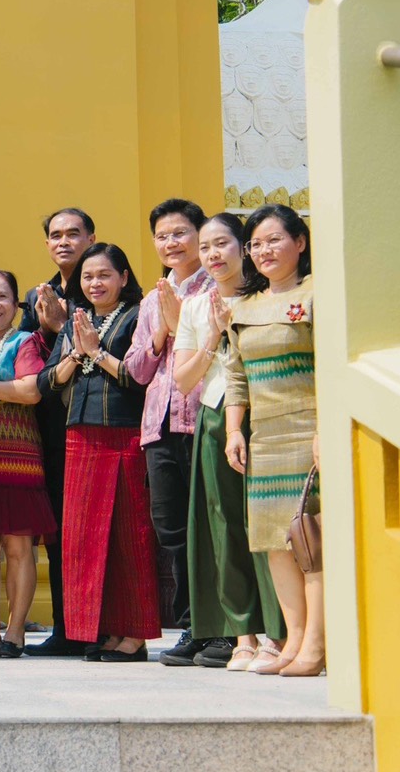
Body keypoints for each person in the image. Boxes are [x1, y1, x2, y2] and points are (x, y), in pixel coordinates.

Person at [174, 213, 285, 672]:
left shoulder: (267, 297)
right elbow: (184, 380)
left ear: (244, 247)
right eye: (205, 247)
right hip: (216, 414)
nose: (213, 254)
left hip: (268, 414)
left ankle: (279, 632)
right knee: (224, 525)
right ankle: (243, 634)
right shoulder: (195, 307)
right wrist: (215, 334)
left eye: (222, 244)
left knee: (269, 522)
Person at [36, 242, 157, 662]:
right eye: (88, 277)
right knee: (85, 540)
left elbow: (138, 378)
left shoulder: (138, 316)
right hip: (80, 438)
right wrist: (76, 352)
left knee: (128, 536)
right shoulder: (76, 322)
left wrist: (97, 354)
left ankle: (134, 634)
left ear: (123, 277)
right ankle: (100, 629)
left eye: (104, 275)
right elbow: (46, 383)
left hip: (124, 436)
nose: (95, 283)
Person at [225, 204, 323, 677]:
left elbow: (329, 366)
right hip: (263, 438)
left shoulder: (318, 294)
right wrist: (233, 430)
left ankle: (316, 646)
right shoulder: (243, 308)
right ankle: (293, 638)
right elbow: (236, 375)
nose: (263, 251)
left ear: (300, 242)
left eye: (274, 240)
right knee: (273, 542)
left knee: (309, 540)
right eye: (255, 244)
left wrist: (325, 429)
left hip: (308, 432)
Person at [123, 199, 216, 664]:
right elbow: (137, 370)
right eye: (162, 236)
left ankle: (223, 628)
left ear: (200, 235)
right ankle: (193, 626)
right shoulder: (150, 300)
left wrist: (179, 325)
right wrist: (161, 331)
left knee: (209, 527)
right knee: (173, 530)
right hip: (158, 426)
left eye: (180, 233)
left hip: (201, 417)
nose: (171, 243)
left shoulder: (215, 289)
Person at [0, 270, 55, 658]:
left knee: (20, 545)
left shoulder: (25, 341)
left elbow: (30, 391)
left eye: (1, 297)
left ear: (16, 304)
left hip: (19, 455)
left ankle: (16, 631)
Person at [21, 208, 97, 656]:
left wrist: (63, 326)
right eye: (55, 235)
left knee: (94, 530)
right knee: (59, 532)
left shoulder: (107, 287)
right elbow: (31, 361)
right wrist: (49, 328)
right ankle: (67, 627)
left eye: (73, 233)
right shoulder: (39, 295)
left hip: (98, 425)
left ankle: (99, 626)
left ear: (91, 238)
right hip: (52, 430)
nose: (64, 241)